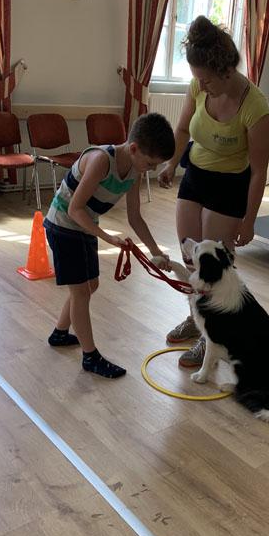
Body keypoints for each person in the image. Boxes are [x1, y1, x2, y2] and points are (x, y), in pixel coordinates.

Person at [158, 15, 269, 368]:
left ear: (225, 71)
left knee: (216, 270)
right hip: (196, 176)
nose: (201, 85)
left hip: (230, 185)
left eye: (206, 79)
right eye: (197, 78)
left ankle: (214, 337)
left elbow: (259, 171)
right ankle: (196, 318)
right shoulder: (198, 87)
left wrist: (249, 220)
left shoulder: (255, 108)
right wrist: (171, 163)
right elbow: (182, 129)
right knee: (191, 257)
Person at [44, 112, 174, 379]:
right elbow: (75, 209)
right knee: (81, 291)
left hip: (83, 225)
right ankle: (90, 357)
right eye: (150, 163)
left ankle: (60, 333)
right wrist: (108, 237)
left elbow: (135, 217)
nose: (151, 170)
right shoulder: (101, 160)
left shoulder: (135, 169)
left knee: (90, 286)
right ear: (134, 148)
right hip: (63, 225)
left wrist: (156, 252)